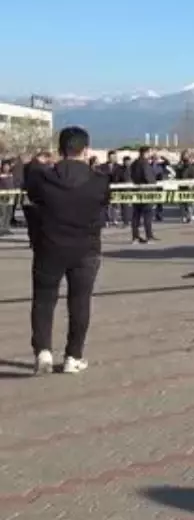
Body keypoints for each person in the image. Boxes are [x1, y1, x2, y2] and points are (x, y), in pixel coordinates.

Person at [24, 126, 111, 375]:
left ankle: (43, 351)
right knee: (80, 301)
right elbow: (104, 203)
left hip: (49, 247)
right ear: (86, 150)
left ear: (60, 150)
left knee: (43, 300)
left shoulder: (43, 178)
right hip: (86, 249)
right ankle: (73, 355)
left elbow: (31, 189)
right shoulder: (99, 181)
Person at [128, 147, 158, 243]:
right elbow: (149, 177)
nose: (151, 154)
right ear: (146, 153)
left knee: (136, 215)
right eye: (150, 152)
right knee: (147, 214)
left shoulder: (134, 164)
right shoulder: (144, 163)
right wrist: (154, 185)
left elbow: (131, 176)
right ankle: (149, 236)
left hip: (136, 190)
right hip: (146, 191)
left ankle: (135, 237)